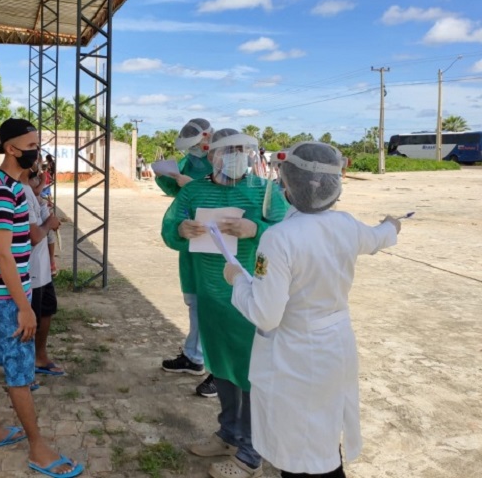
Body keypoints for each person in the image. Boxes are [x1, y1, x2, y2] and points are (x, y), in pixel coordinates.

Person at [224, 142, 401, 478]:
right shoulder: (346, 225)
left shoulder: (279, 239)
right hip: (335, 346)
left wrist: (237, 280)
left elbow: (265, 314)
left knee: (299, 453)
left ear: (287, 185)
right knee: (323, 436)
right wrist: (393, 224)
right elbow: (378, 237)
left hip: (296, 356)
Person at [161, 129, 288, 478]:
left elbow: (289, 232)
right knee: (222, 367)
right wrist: (181, 230)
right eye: (228, 150)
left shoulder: (265, 192)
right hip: (211, 294)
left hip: (251, 296)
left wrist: (256, 229)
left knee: (249, 374)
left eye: (242, 151)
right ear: (211, 154)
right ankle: (229, 433)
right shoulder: (194, 190)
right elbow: (169, 227)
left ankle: (251, 451)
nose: (235, 156)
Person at [0, 118, 83, 477]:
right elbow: (4, 253)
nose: (37, 152)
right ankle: (39, 449)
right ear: (11, 149)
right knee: (19, 371)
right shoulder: (3, 191)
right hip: (8, 297)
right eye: (31, 145)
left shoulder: (4, 184)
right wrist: (24, 307)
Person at [158, 118, 217, 397]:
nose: (194, 153)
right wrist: (168, 177)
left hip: (219, 243)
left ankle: (221, 370)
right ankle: (194, 357)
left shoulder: (226, 163)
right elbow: (176, 191)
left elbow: (226, 196)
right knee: (195, 302)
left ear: (208, 138)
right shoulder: (191, 162)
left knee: (219, 306)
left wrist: (192, 184)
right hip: (192, 239)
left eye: (196, 147)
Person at [25, 167, 63, 377]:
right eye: (37, 178)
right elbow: (34, 236)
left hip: (41, 269)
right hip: (30, 270)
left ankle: (40, 356)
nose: (40, 182)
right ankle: (25, 365)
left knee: (47, 309)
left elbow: (47, 234)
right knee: (31, 319)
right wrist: (49, 223)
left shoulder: (34, 196)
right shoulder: (21, 192)